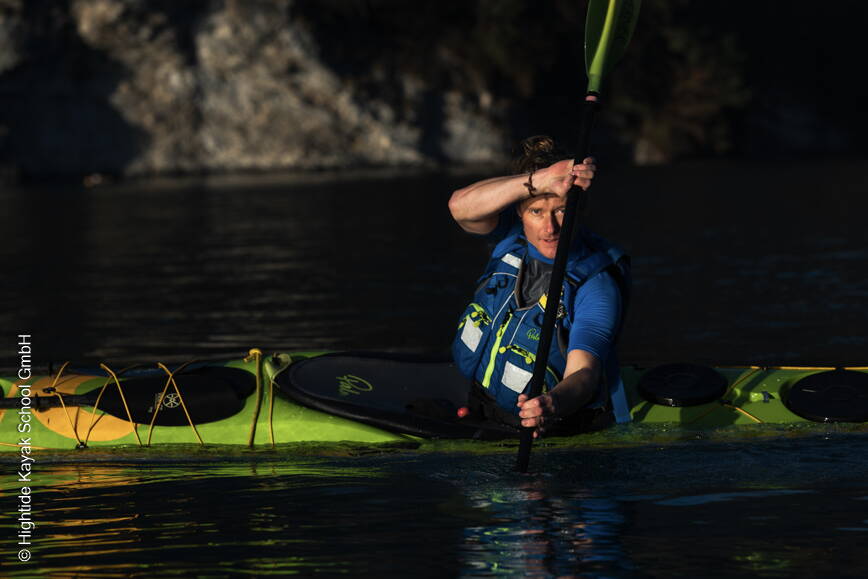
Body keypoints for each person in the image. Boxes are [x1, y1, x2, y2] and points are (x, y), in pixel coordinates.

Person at [448, 135, 631, 437]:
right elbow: (459, 206)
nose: (549, 228)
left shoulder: (596, 285)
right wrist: (543, 180)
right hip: (480, 408)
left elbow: (584, 373)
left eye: (561, 211)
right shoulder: (509, 236)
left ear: (579, 211)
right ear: (519, 213)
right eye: (536, 212)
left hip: (552, 426)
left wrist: (552, 403)